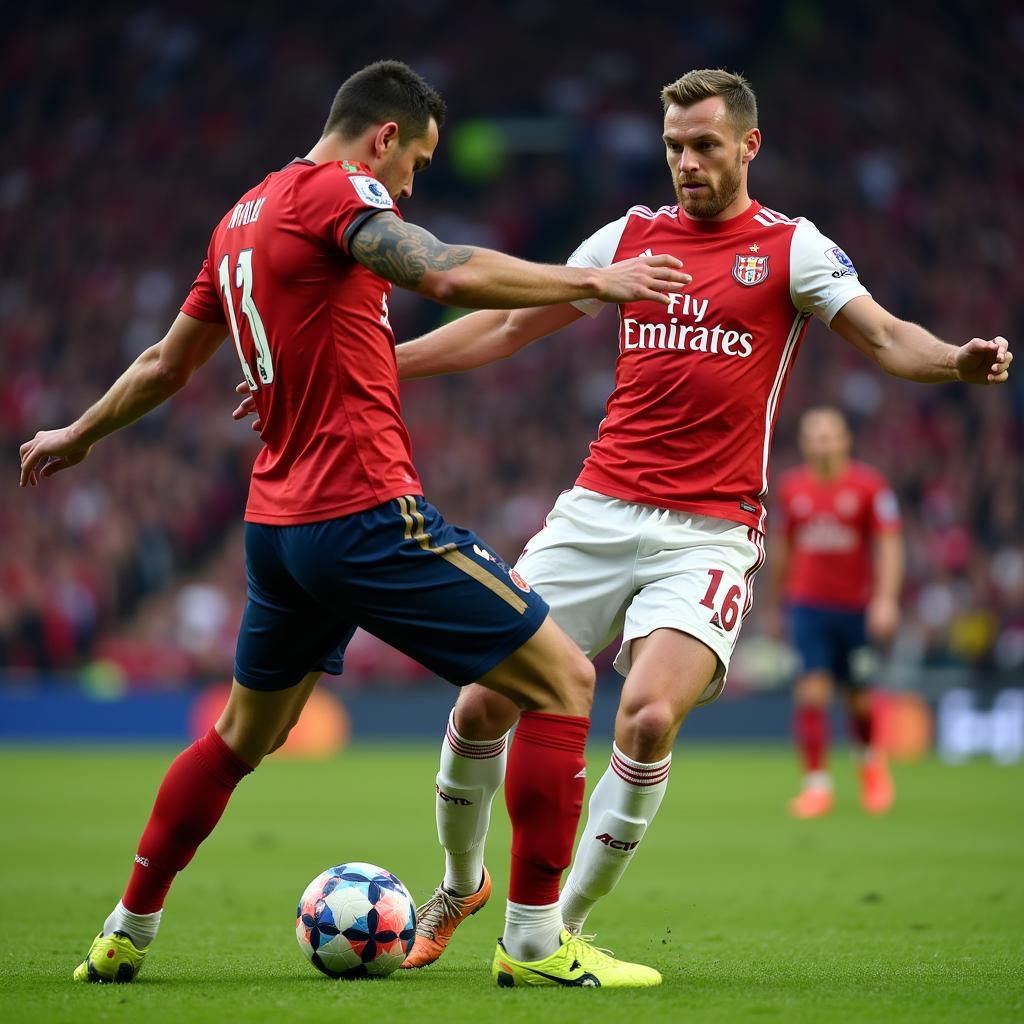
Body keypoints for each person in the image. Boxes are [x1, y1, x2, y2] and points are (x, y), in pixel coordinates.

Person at [19, 60, 689, 989]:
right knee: (564, 680)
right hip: (365, 515)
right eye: (416, 162)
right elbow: (444, 272)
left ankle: (126, 927)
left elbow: (167, 365)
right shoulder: (340, 195)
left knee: (237, 740)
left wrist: (78, 432)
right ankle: (537, 944)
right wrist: (599, 283)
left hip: (277, 531)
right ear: (384, 137)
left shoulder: (242, 218)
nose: (412, 185)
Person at [337, 67, 1009, 967]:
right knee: (481, 702)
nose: (686, 164)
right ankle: (460, 885)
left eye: (703, 146)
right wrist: (385, 366)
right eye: (673, 148)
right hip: (596, 513)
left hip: (709, 533)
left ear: (747, 145)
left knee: (647, 720)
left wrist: (955, 362)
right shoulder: (629, 238)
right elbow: (505, 330)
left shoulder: (793, 249)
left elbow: (887, 336)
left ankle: (555, 929)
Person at [768, 407, 903, 818]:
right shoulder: (791, 488)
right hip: (807, 605)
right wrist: (775, 605)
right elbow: (783, 548)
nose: (823, 443)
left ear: (845, 440)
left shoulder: (870, 487)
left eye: (830, 435)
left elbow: (889, 545)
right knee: (812, 692)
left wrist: (886, 599)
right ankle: (816, 786)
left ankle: (870, 765)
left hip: (856, 608)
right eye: (815, 436)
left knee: (860, 699)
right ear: (805, 443)